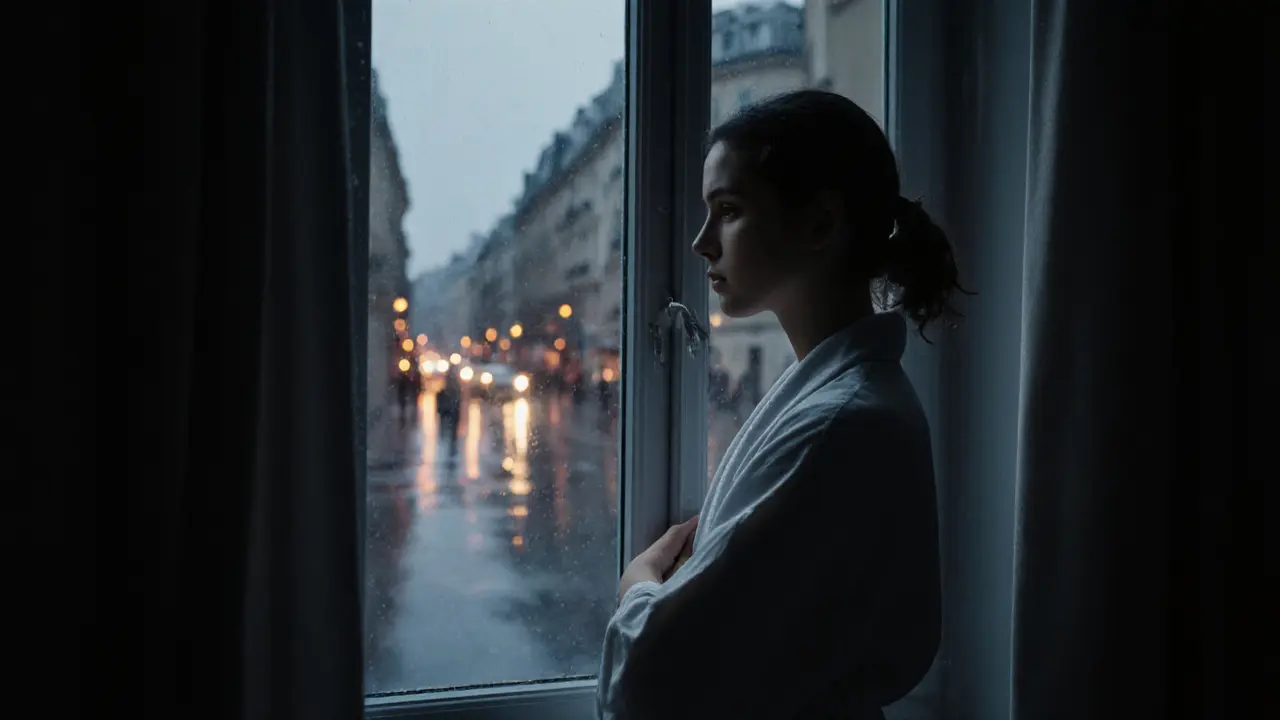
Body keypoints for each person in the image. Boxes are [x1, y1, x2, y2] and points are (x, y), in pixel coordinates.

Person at [596, 90, 964, 719]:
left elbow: (653, 673)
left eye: (728, 210)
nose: (700, 243)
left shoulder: (841, 425)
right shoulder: (838, 400)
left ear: (820, 223)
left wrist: (638, 588)